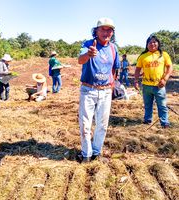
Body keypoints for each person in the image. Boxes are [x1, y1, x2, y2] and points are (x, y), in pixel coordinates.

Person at [78, 17, 120, 163]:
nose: (106, 32)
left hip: (105, 91)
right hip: (88, 90)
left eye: (109, 30)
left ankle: (96, 152)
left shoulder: (114, 48)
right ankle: (86, 154)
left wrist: (112, 86)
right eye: (103, 29)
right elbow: (80, 60)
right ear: (96, 31)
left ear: (112, 32)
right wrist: (89, 54)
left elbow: (115, 69)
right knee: (85, 124)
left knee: (102, 124)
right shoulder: (88, 44)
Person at [134, 35, 173, 128]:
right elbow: (137, 69)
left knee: (162, 105)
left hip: (159, 85)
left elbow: (170, 67)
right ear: (147, 44)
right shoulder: (143, 56)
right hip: (146, 86)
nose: (152, 44)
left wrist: (165, 79)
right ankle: (147, 119)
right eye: (150, 42)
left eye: (154, 42)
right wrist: (135, 81)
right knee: (147, 105)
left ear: (158, 43)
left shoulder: (164, 54)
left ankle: (165, 122)